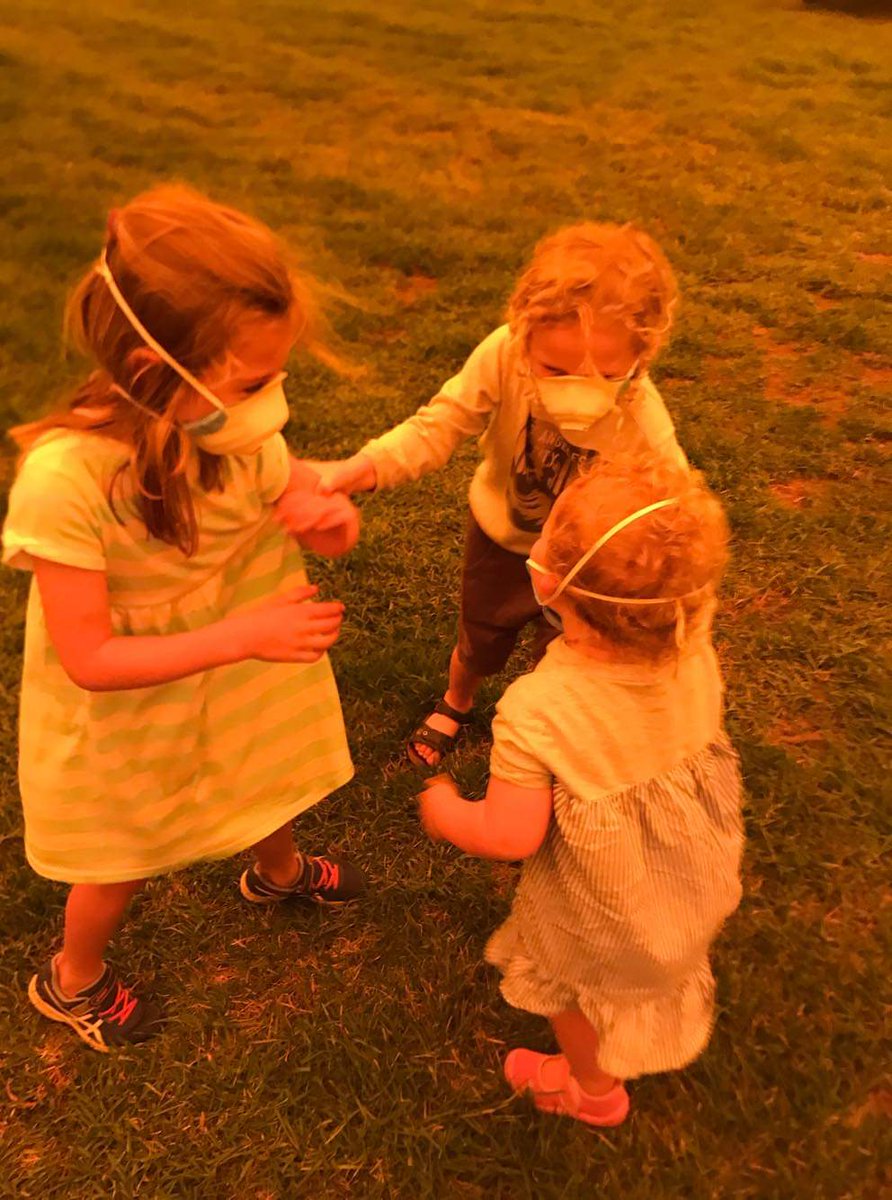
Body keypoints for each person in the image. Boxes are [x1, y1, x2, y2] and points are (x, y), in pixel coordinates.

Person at [2, 184, 366, 1052]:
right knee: (123, 850)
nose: (271, 403)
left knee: (263, 770)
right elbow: (89, 657)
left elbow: (295, 490)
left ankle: (278, 873)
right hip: (137, 703)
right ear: (149, 372)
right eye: (254, 382)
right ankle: (73, 978)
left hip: (241, 671)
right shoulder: (67, 481)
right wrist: (242, 636)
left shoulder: (231, 432)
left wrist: (327, 519)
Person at [418, 458, 744, 1128]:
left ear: (546, 579)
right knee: (655, 956)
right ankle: (650, 989)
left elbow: (510, 835)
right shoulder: (692, 644)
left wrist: (445, 811)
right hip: (687, 870)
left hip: (602, 900)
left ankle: (593, 1090)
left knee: (573, 988)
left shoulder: (540, 709)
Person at [311, 222, 688, 768]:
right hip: (502, 540)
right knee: (480, 638)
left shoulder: (641, 415)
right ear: (525, 331)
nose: (578, 390)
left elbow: (677, 506)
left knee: (569, 658)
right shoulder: (504, 355)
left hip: (583, 568)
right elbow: (438, 425)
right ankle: (457, 700)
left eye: (604, 375)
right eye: (555, 369)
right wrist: (362, 468)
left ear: (640, 360)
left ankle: (544, 730)